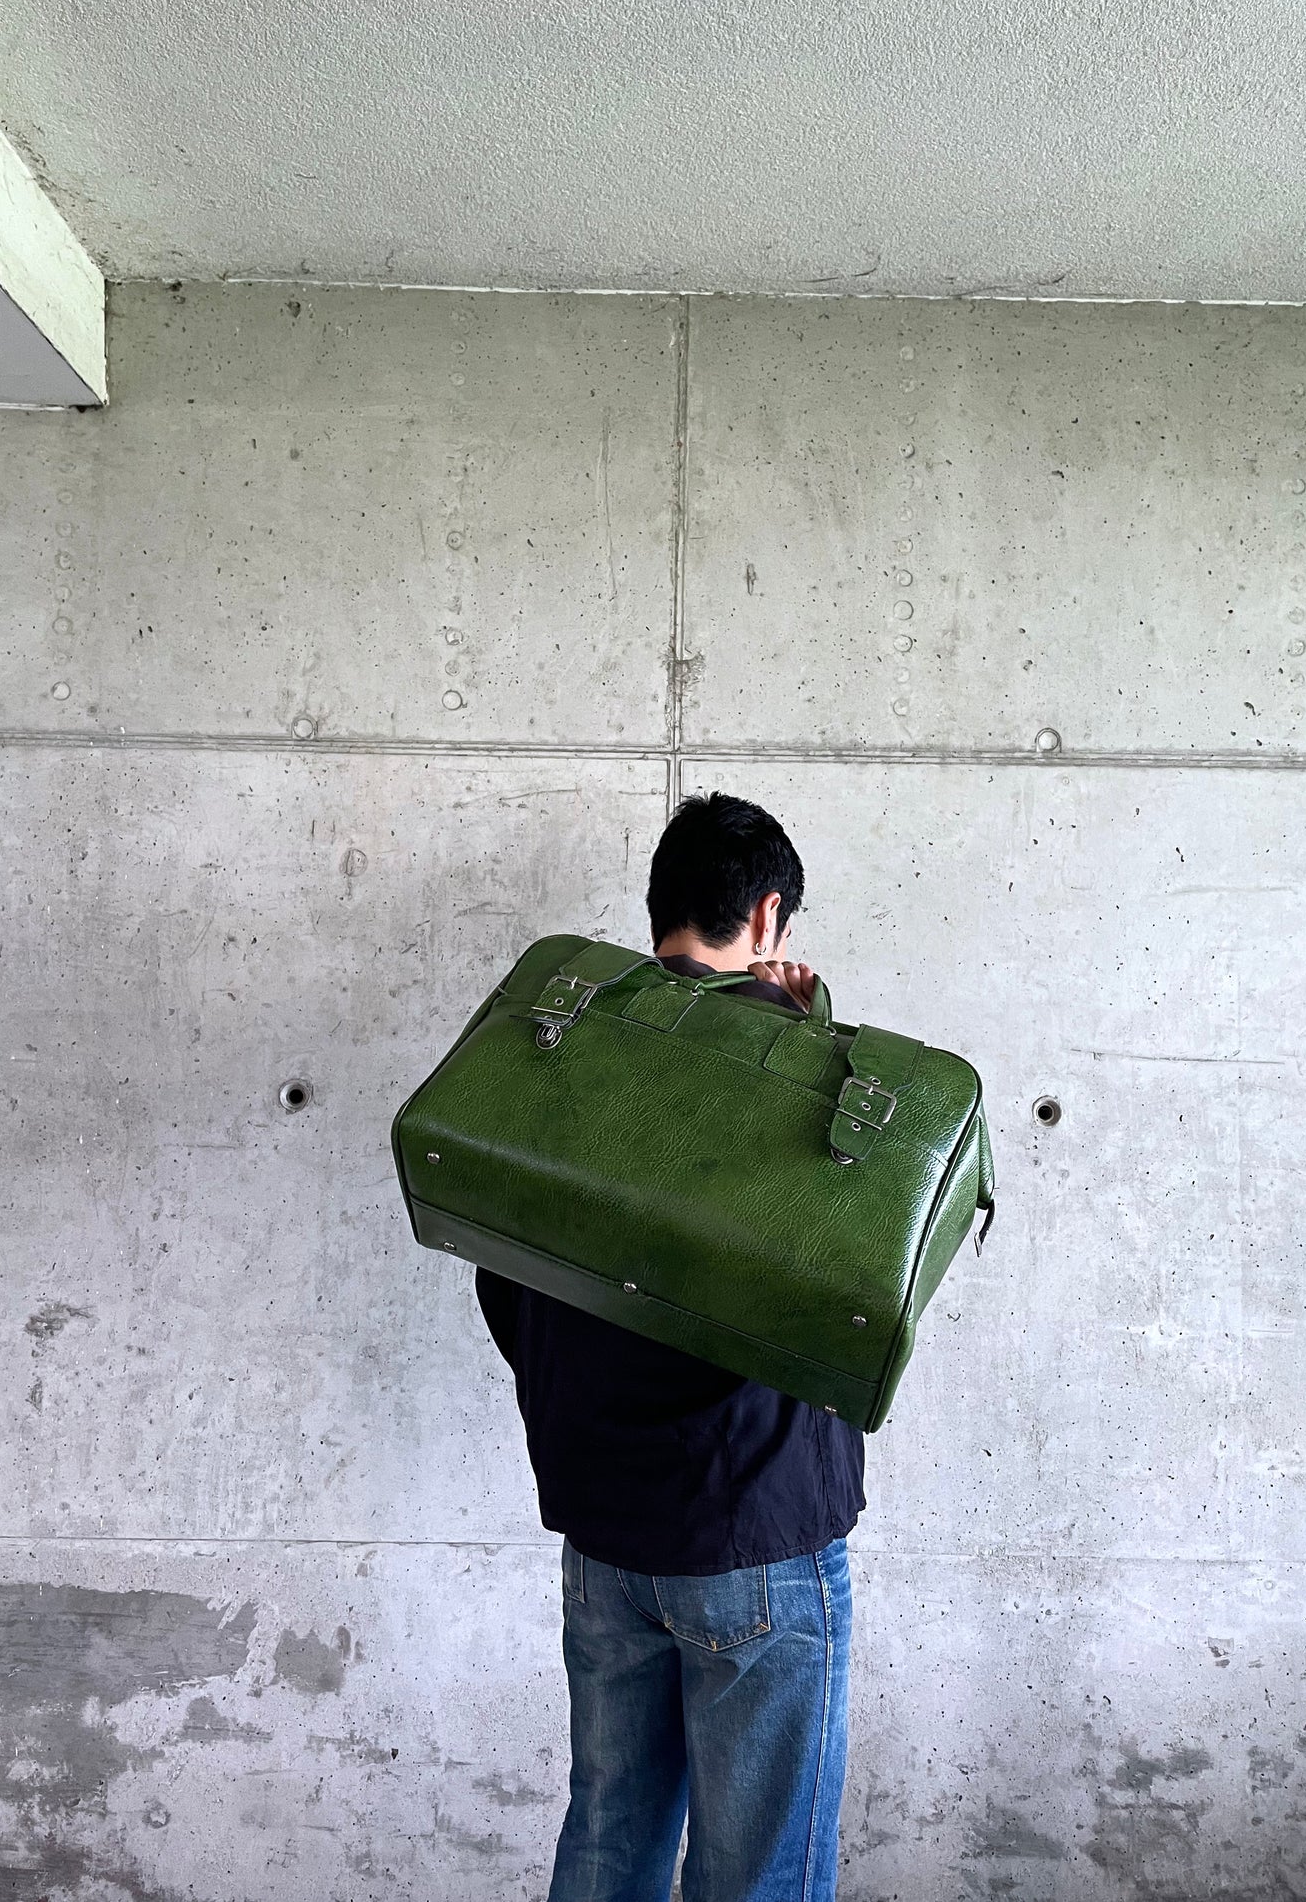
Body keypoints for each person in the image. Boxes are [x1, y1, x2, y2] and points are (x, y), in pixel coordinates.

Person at [475, 792, 864, 1902]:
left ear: (658, 912)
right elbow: (847, 1268)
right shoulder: (792, 1070)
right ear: (769, 912)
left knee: (609, 1841)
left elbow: (501, 1272)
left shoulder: (563, 1051)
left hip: (603, 1536)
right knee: (759, 1877)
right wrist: (803, 1024)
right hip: (754, 1526)